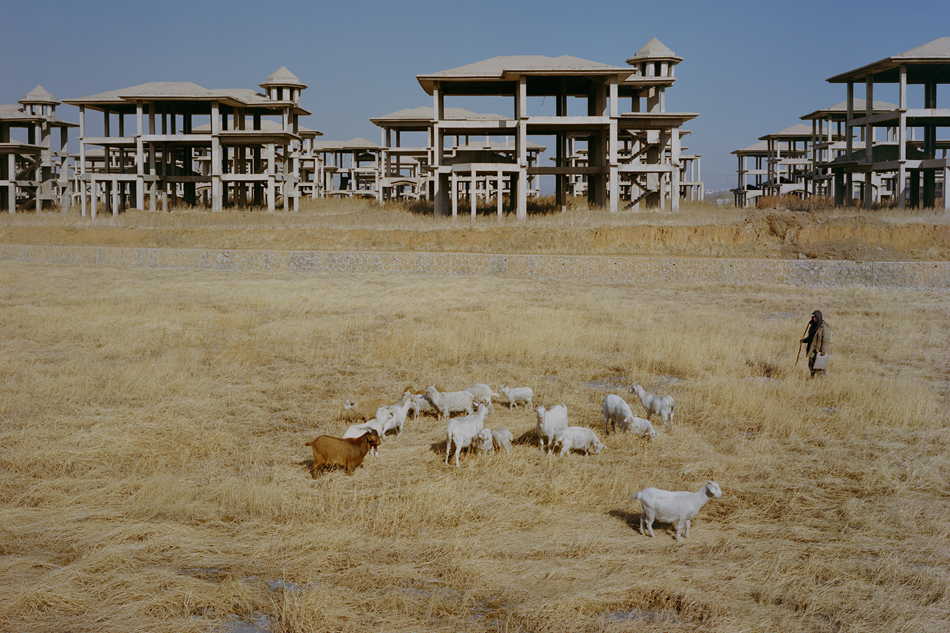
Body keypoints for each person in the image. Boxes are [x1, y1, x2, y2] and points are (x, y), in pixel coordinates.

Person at [801, 310, 830, 377]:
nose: (814, 319)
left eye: (815, 317)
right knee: (811, 368)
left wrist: (823, 352)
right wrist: (804, 340)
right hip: (812, 351)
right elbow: (811, 338)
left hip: (819, 352)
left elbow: (826, 341)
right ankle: (813, 382)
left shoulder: (824, 328)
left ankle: (822, 384)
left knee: (820, 370)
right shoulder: (812, 327)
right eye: (813, 317)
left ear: (819, 317)